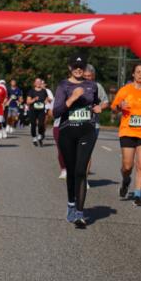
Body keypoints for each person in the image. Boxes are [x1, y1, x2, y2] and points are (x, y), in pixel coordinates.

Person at [52, 56, 103, 228]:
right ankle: (71, 204)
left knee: (81, 171)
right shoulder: (63, 86)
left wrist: (99, 108)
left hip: (87, 131)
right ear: (70, 67)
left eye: (81, 66)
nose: (78, 69)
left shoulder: (92, 85)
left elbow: (96, 104)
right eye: (75, 66)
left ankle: (80, 214)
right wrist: (72, 98)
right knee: (72, 171)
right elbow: (56, 112)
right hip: (67, 132)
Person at [111, 63, 141, 206]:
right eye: (138, 72)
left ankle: (138, 194)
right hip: (127, 131)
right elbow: (113, 108)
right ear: (133, 74)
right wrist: (120, 107)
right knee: (127, 166)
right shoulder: (125, 90)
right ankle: (126, 180)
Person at [26, 77, 51, 146]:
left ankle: (40, 136)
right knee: (33, 125)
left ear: (41, 83)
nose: (38, 83)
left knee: (41, 124)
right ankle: (34, 137)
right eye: (37, 82)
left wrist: (48, 100)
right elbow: (28, 102)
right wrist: (34, 99)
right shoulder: (31, 91)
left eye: (39, 82)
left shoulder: (44, 91)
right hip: (33, 110)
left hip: (41, 111)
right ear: (34, 83)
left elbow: (46, 99)